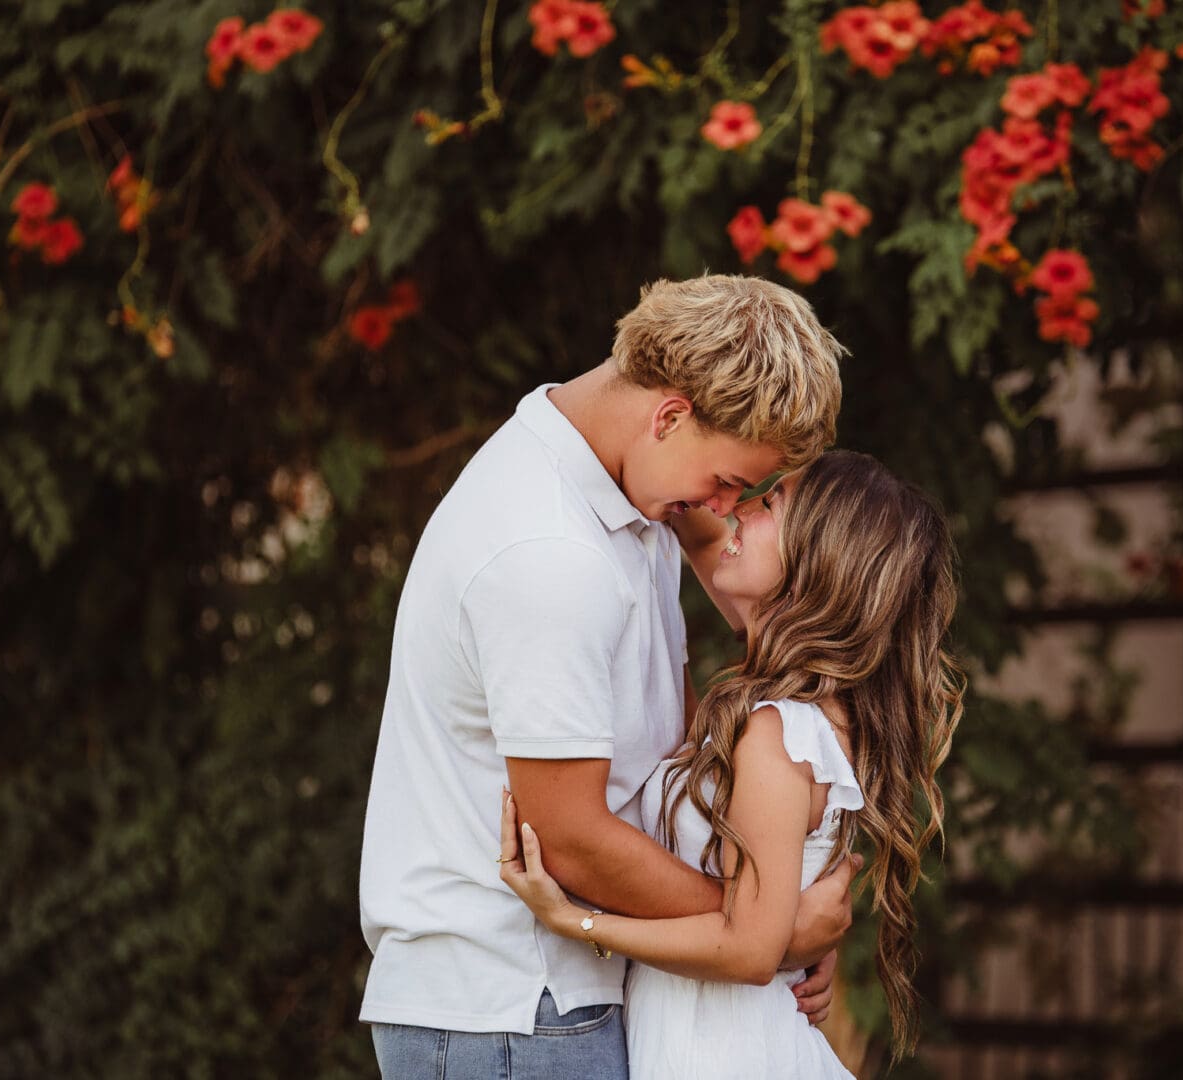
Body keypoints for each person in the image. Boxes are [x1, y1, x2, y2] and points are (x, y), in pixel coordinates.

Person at [359, 275, 852, 1079]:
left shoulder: (619, 476)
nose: (723, 508)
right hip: (513, 1013)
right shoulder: (548, 553)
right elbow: (574, 842)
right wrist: (770, 928)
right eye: (726, 481)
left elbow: (778, 613)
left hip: (553, 999)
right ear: (669, 416)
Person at [499, 450, 964, 1079]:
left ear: (814, 562)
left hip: (722, 1051)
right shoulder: (799, 710)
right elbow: (767, 928)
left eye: (770, 501)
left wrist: (577, 921)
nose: (740, 507)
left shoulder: (776, 732)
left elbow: (748, 948)